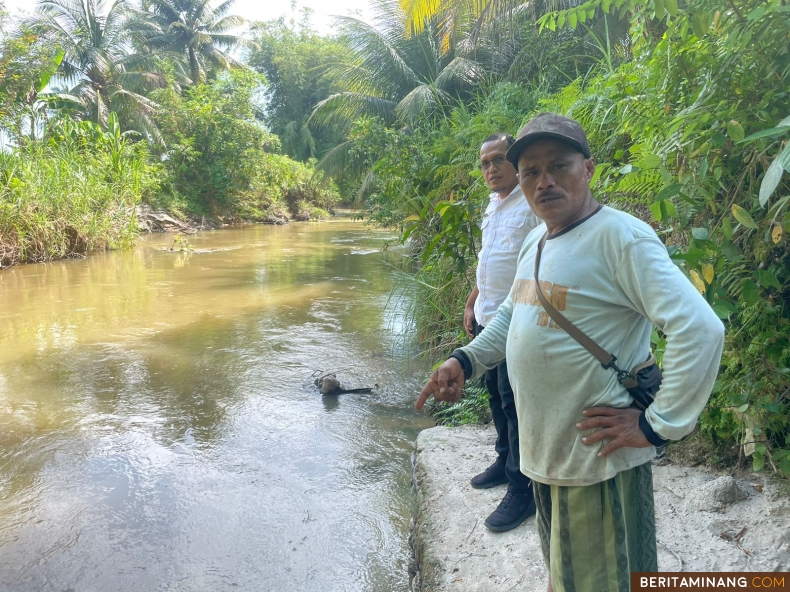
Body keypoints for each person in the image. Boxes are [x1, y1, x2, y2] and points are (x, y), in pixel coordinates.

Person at [416, 113, 724, 592]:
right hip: (549, 456)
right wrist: (465, 359)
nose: (545, 182)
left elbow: (699, 327)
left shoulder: (621, 238)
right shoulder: (536, 240)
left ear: (589, 169)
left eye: (559, 166)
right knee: (569, 574)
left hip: (595, 462)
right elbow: (513, 317)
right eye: (531, 172)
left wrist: (656, 425)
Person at [463, 133, 540, 532]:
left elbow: (537, 264)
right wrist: (473, 300)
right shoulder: (494, 205)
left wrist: (521, 318)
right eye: (484, 163)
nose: (490, 169)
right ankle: (503, 457)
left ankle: (522, 488)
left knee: (514, 403)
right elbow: (490, 257)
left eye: (497, 160)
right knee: (495, 394)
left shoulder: (531, 205)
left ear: (514, 162)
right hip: (486, 316)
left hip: (515, 321)